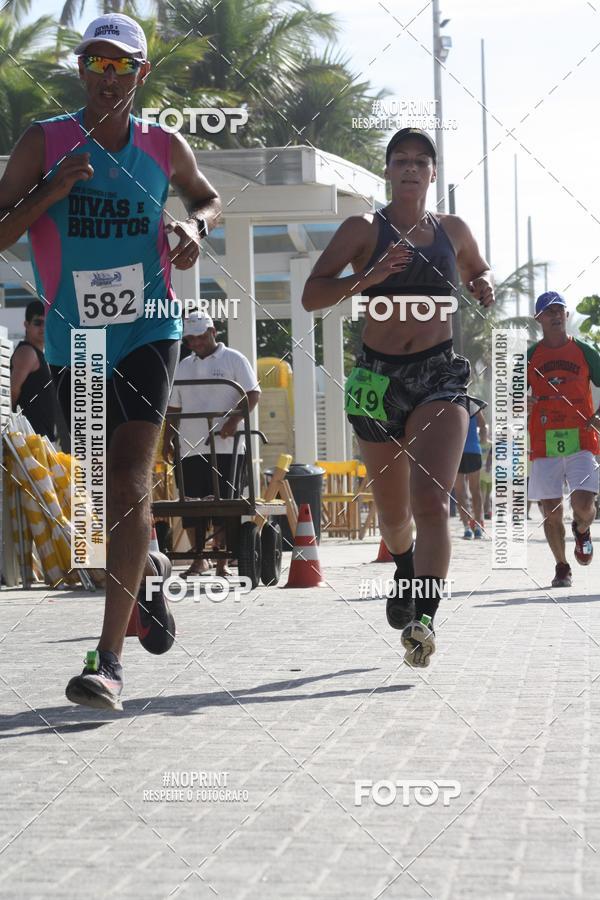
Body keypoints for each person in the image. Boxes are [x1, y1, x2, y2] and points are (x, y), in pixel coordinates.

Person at [0, 13, 221, 710]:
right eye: (95, 65)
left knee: (127, 479)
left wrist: (195, 226)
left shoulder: (163, 145)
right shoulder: (46, 142)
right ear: (81, 72)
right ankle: (148, 577)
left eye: (120, 66)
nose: (106, 78)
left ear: (140, 74)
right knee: (102, 498)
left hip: (150, 328)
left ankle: (108, 660)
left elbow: (207, 197)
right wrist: (51, 192)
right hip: (77, 338)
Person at [302, 127, 494, 667]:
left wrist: (484, 284)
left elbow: (479, 269)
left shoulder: (452, 230)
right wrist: (366, 277)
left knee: (431, 501)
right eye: (400, 160)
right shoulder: (364, 228)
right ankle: (404, 565)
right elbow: (312, 294)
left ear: (433, 174)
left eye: (420, 161)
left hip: (439, 375)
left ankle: (424, 622)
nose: (410, 168)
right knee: (392, 518)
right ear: (388, 171)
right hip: (376, 380)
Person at [163, 313, 261, 577]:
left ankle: (221, 561)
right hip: (190, 446)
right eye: (190, 339)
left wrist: (234, 420)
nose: (196, 343)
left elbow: (253, 394)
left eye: (200, 337)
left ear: (213, 332)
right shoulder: (184, 365)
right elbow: (173, 406)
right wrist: (167, 439)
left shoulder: (234, 359)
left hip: (226, 446)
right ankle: (199, 559)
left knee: (224, 504)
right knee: (192, 504)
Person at [527, 291, 600, 588]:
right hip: (544, 440)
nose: (555, 315)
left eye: (560, 310)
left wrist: (597, 415)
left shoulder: (584, 351)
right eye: (549, 312)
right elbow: (513, 395)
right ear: (539, 319)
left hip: (581, 438)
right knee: (551, 508)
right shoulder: (530, 356)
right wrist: (522, 402)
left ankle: (582, 529)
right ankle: (561, 566)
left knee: (583, 505)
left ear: (566, 316)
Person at [10, 299, 58, 440]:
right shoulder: (27, 352)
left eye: (46, 323)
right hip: (29, 439)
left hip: (40, 438)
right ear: (26, 325)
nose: (43, 328)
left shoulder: (41, 354)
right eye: (38, 323)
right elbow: (12, 390)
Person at [454, 410, 488, 539]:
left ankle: (467, 527)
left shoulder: (451, 403)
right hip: (474, 450)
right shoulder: (474, 406)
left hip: (456, 451)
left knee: (460, 491)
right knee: (475, 490)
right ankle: (478, 527)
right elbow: (483, 426)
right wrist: (483, 443)